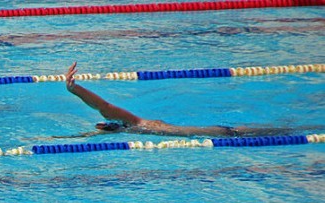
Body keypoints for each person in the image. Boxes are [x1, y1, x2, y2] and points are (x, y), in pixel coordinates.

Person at [65, 61, 290, 138]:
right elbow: (93, 128)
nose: (104, 122)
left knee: (239, 132)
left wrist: (75, 90)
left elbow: (103, 106)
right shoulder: (131, 129)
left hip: (209, 132)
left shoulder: (134, 123)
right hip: (197, 132)